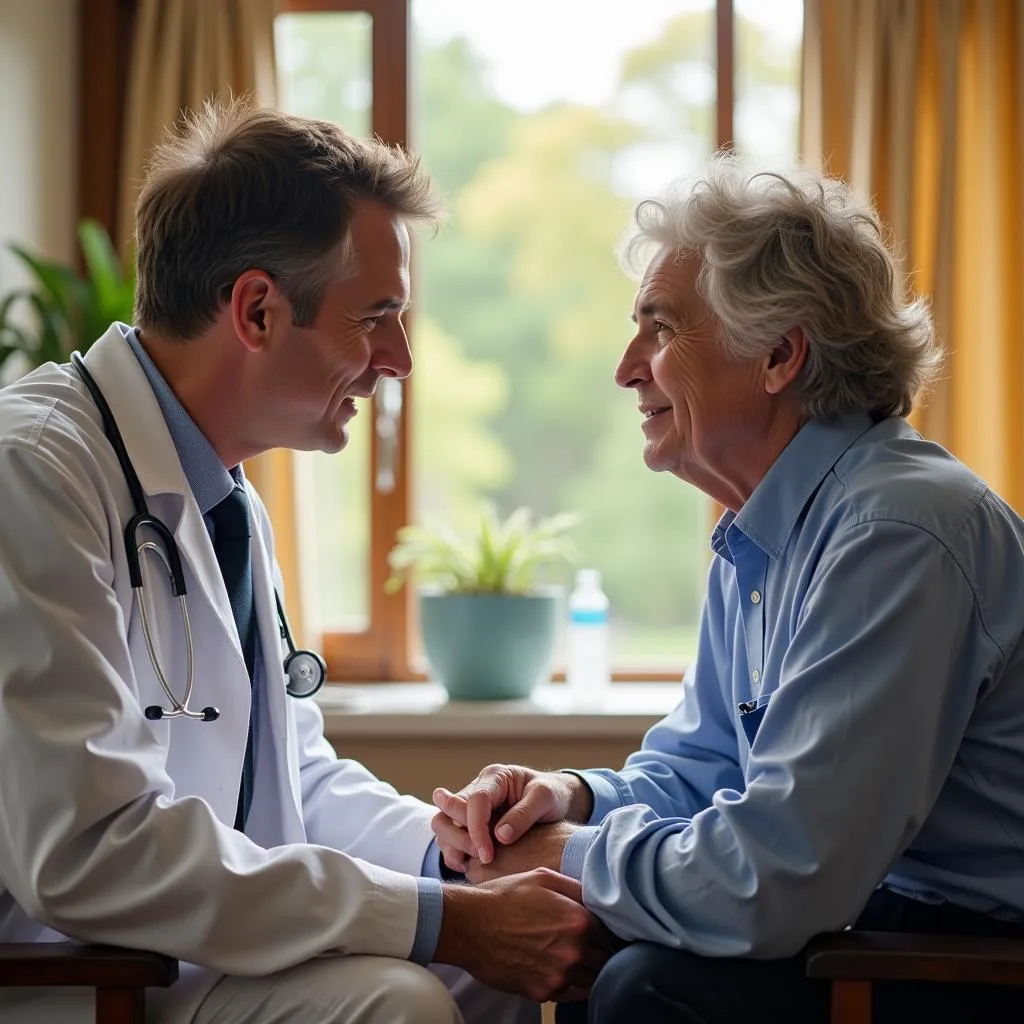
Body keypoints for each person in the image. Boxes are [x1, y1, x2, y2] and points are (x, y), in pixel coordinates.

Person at [0, 100, 614, 1024]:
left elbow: (297, 780)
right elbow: (91, 849)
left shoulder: (221, 493)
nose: (400, 360)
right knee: (402, 1000)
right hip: (84, 980)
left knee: (489, 971)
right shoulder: (35, 474)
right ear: (256, 310)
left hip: (195, 951)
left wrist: (456, 860)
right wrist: (445, 922)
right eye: (377, 317)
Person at [430, 157, 1024, 1024]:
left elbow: (781, 875)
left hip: (975, 951)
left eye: (660, 330)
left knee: (643, 984)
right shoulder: (761, 529)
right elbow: (705, 767)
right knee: (582, 938)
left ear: (780, 354)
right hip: (882, 918)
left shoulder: (896, 530)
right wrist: (565, 800)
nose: (627, 368)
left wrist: (572, 859)